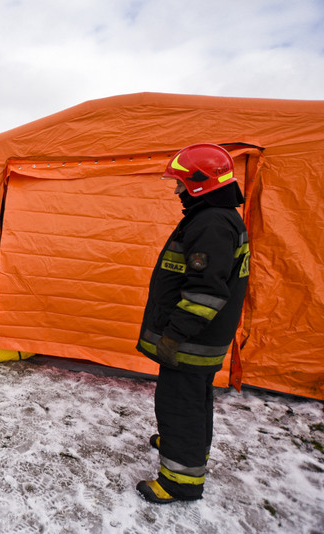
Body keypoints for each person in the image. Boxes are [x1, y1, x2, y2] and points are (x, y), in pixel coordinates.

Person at [135, 144, 250, 503]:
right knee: (195, 399)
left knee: (179, 406)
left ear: (200, 184)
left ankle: (179, 482)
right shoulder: (219, 218)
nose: (176, 191)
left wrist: (175, 335)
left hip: (191, 340)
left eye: (180, 184)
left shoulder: (211, 223)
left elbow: (205, 292)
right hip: (202, 338)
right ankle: (187, 449)